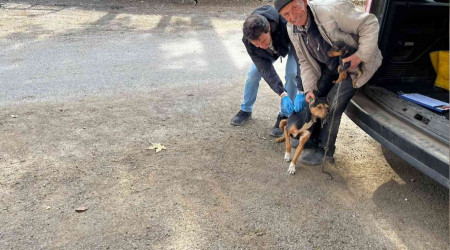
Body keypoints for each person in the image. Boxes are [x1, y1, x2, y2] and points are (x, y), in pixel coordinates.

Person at [274, 0, 382, 164]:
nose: (293, 16)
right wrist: (309, 89)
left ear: (304, 2)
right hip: (329, 66)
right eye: (286, 14)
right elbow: (304, 61)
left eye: (295, 8)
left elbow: (370, 23)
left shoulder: (331, 11)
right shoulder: (291, 28)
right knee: (315, 99)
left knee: (331, 105)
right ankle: (311, 138)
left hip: (354, 64)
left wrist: (360, 55)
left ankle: (325, 151)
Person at [231, 5, 306, 137]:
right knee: (253, 75)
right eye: (257, 44)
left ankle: (284, 115)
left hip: (290, 44)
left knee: (291, 73)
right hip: (269, 54)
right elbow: (264, 68)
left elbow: (301, 58)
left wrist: (301, 89)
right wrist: (282, 93)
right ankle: (246, 109)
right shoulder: (248, 41)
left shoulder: (286, 23)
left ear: (269, 29)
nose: (262, 46)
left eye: (263, 40)